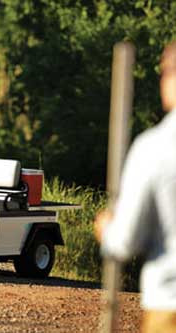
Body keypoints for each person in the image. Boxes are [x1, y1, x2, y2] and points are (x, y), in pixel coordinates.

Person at [94, 41, 176, 332]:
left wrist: (106, 229)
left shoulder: (155, 148)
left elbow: (126, 241)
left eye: (167, 71)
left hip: (169, 307)